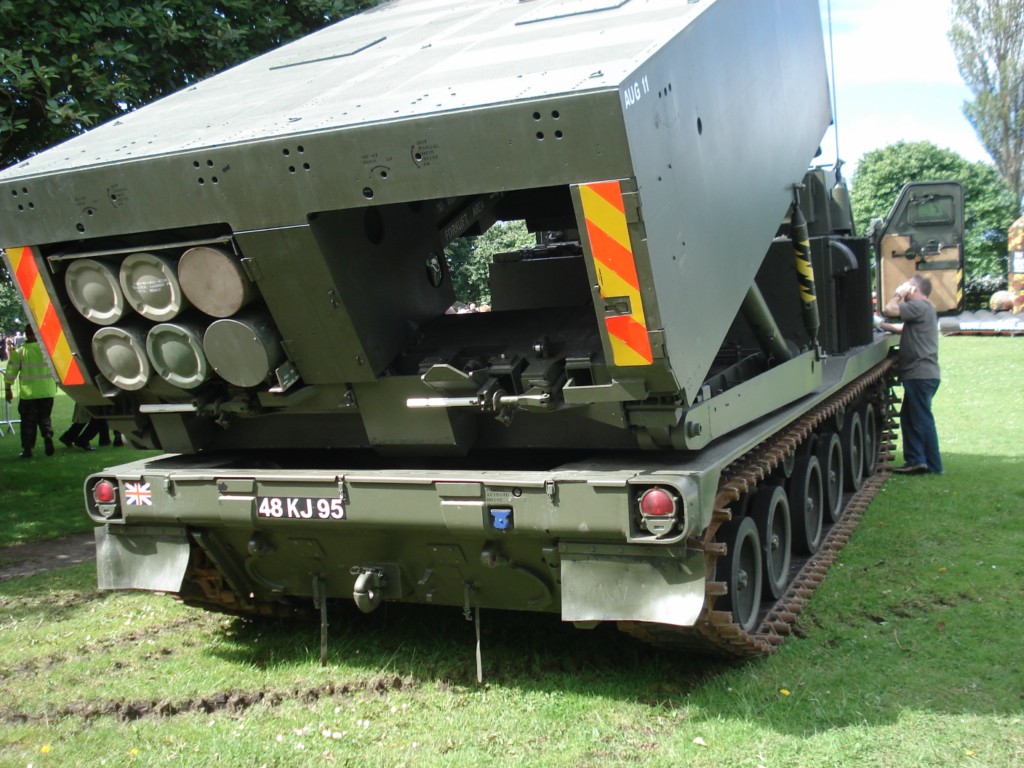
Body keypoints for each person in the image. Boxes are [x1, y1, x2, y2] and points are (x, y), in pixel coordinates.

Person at [880, 275, 942, 475]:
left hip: (919, 374)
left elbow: (889, 309)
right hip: (923, 374)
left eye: (906, 285)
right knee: (909, 417)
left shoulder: (919, 306)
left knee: (922, 419)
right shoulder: (926, 309)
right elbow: (903, 327)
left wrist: (899, 293)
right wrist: (881, 325)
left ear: (913, 289)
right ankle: (917, 461)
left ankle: (933, 466)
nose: (901, 287)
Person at [3, 324, 57, 459]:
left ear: (26, 334)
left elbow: (10, 373)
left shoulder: (20, 352)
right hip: (47, 391)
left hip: (28, 394)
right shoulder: (48, 351)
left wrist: (8, 389)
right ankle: (48, 434)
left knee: (28, 422)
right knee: (45, 417)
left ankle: (28, 449)